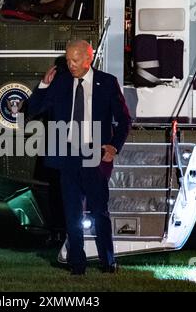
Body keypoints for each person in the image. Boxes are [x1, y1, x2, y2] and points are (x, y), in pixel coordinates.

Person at [27, 40, 132, 275]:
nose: (70, 64)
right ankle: (77, 265)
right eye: (67, 60)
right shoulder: (61, 82)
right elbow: (33, 109)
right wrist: (44, 85)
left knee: (99, 211)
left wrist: (114, 147)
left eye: (74, 60)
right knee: (72, 212)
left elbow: (124, 120)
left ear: (88, 59)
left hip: (95, 155)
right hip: (68, 156)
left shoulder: (106, 83)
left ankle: (108, 262)